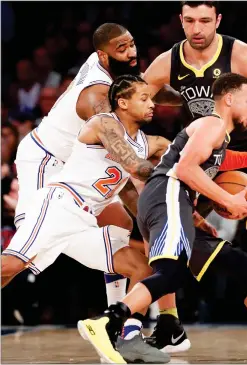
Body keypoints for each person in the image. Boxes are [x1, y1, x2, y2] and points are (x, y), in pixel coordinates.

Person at [78, 73, 247, 364]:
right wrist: (227, 199)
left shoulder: (216, 134)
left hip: (168, 203)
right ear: (228, 99)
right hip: (168, 197)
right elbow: (185, 169)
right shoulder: (213, 123)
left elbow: (217, 160)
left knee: (240, 265)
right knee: (172, 274)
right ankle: (109, 322)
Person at [141, 0, 247, 344]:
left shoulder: (242, 55)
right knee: (160, 226)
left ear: (218, 19)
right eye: (190, 21)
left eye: (205, 20)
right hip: (204, 152)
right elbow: (135, 97)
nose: (197, 29)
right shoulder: (167, 62)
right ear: (181, 21)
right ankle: (169, 321)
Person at [12, 22, 180, 333]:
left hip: (85, 167)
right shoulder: (98, 99)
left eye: (132, 44)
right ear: (102, 56)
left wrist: (196, 98)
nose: (131, 52)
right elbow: (127, 162)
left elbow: (146, 90)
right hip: (48, 162)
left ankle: (115, 322)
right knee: (25, 256)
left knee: (123, 226)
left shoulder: (115, 74)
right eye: (122, 49)